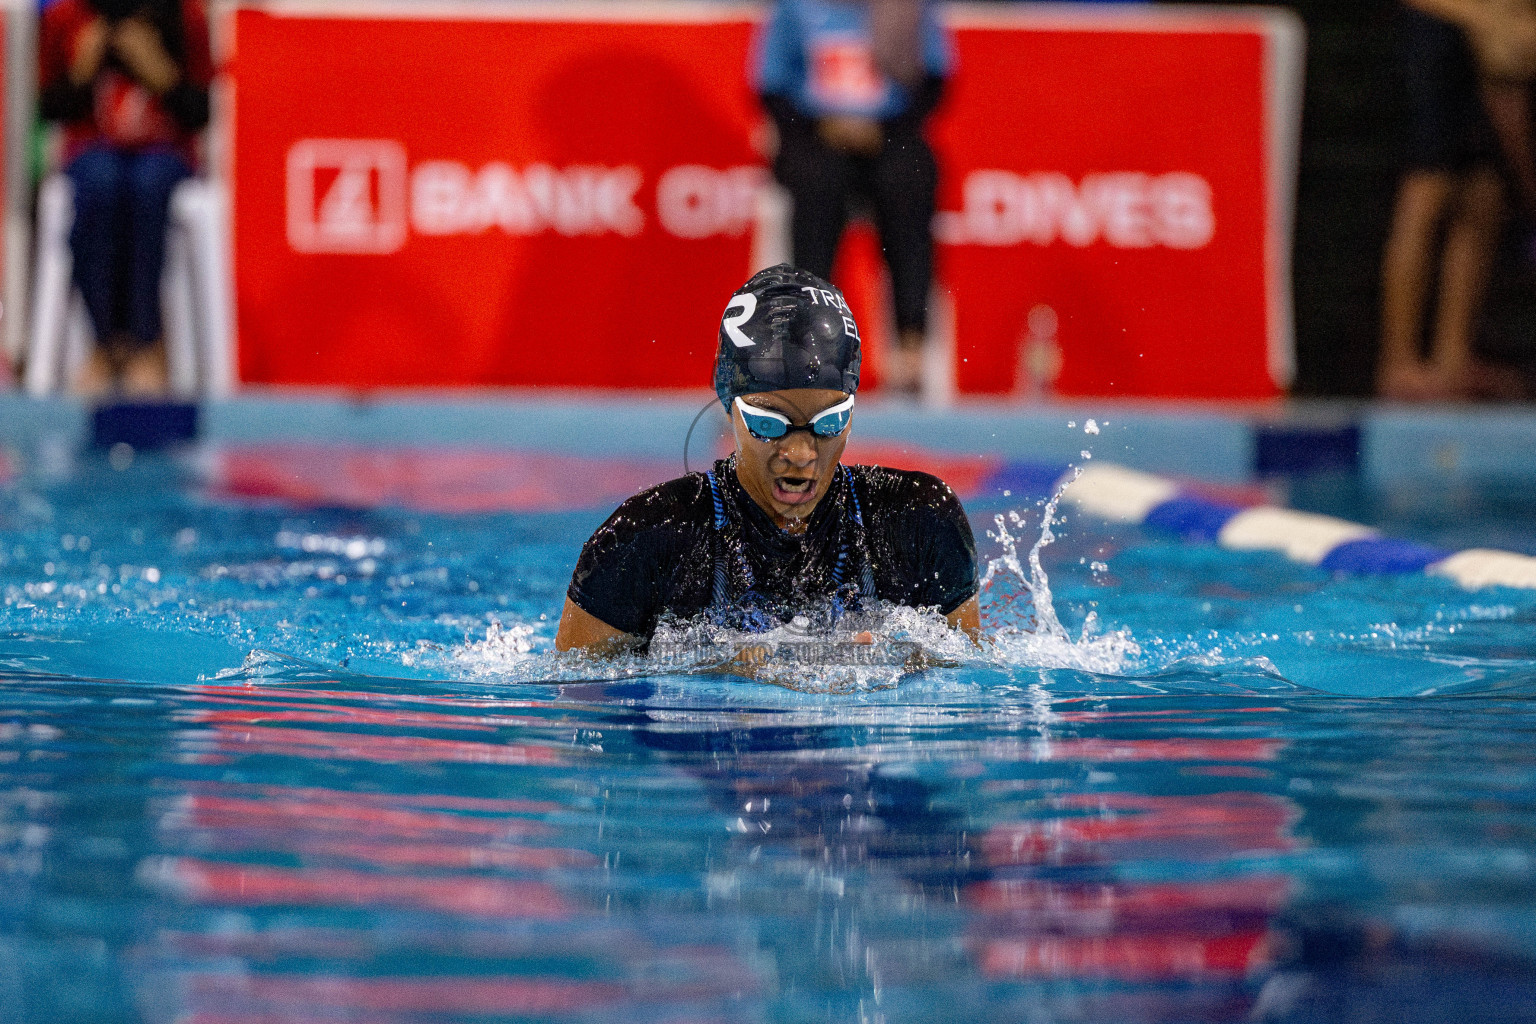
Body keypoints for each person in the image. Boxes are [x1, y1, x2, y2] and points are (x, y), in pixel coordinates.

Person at [555, 264, 979, 657]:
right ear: (729, 406)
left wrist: (895, 665)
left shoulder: (919, 522)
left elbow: (969, 683)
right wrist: (723, 671)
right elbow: (575, 703)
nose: (800, 454)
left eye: (828, 422)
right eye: (769, 423)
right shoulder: (644, 541)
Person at [754, 0, 952, 397]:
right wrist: (824, 127)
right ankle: (813, 342)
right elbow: (770, 86)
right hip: (816, 135)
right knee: (816, 182)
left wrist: (880, 129)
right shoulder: (795, 8)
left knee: (910, 181)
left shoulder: (909, 8)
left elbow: (935, 82)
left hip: (890, 134)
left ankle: (910, 348)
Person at [38, 0, 212, 397]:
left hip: (164, 152)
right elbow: (49, 107)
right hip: (92, 151)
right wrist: (83, 67)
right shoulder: (67, 16)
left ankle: (147, 343)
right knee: (100, 185)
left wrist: (159, 72)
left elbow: (200, 112)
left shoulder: (186, 15)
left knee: (147, 187)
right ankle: (105, 343)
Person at [1379, 0, 1529, 400]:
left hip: (1486, 35)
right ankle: (1399, 360)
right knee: (1428, 187)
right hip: (1438, 23)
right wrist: (1481, 19)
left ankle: (1452, 356)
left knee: (1483, 193)